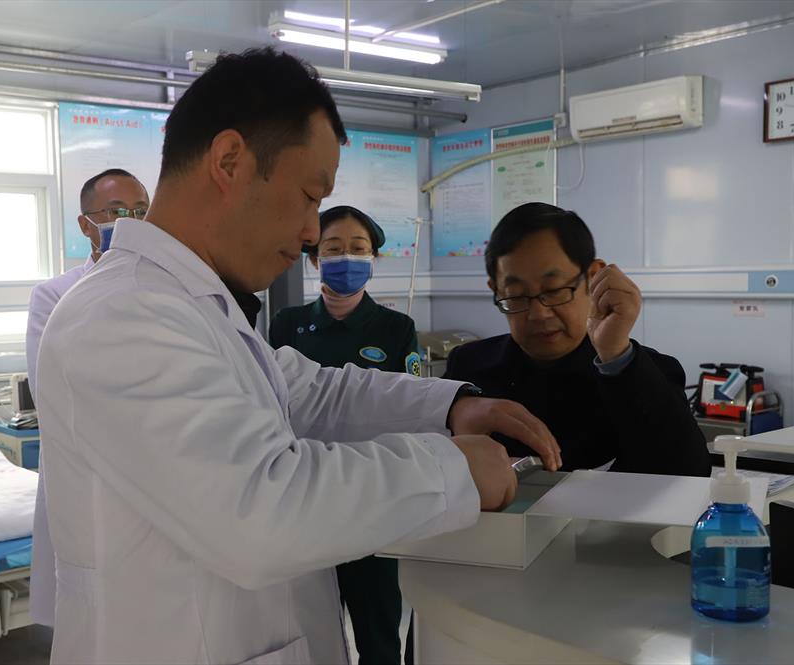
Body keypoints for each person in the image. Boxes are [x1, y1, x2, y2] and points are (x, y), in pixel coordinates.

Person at [35, 48, 560, 665]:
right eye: (310, 196)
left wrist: (449, 408)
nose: (313, 232)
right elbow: (260, 515)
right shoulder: (123, 313)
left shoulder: (200, 307)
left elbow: (313, 392)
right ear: (229, 161)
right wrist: (451, 471)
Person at [443, 202, 711, 477]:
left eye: (554, 290)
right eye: (516, 295)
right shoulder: (468, 368)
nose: (539, 314)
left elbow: (689, 472)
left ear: (593, 278)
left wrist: (616, 354)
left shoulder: (645, 371)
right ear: (496, 290)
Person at [269, 205, 418, 665]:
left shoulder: (396, 328)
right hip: (305, 494)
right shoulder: (288, 323)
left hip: (371, 497)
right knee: (308, 626)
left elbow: (409, 408)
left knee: (378, 632)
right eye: (333, 249)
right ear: (314, 259)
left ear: (373, 258)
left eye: (358, 248)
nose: (346, 258)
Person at [25, 168, 149, 627]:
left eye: (140, 212)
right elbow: (52, 392)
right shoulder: (54, 295)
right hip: (86, 469)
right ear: (85, 224)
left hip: (153, 469)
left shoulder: (164, 290)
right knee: (89, 620)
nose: (130, 222)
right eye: (116, 212)